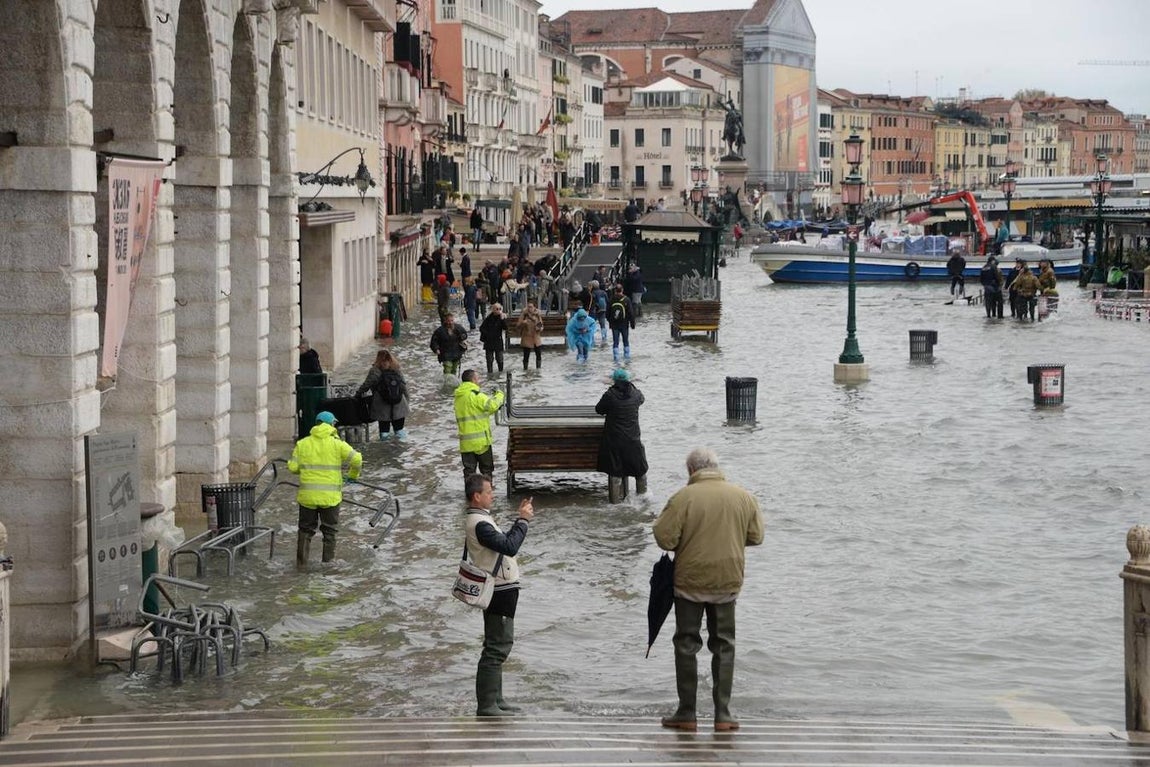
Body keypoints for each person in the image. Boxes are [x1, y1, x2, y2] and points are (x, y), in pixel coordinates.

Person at [653, 448, 764, 732]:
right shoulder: (743, 496)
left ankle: (687, 713)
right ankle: (723, 714)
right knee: (724, 645)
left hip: (690, 581)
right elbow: (756, 536)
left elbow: (664, 539)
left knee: (686, 644)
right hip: (727, 580)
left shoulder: (683, 498)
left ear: (691, 470)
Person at [462, 472, 535, 716]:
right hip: (499, 590)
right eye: (489, 492)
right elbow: (509, 546)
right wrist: (523, 521)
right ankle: (487, 705)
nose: (492, 495)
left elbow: (503, 544)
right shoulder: (480, 523)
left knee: (498, 644)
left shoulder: (481, 519)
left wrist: (519, 520)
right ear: (477, 496)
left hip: (501, 589)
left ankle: (497, 699)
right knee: (497, 646)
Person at [287, 411, 363, 567]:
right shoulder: (337, 444)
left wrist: (306, 468)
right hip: (330, 497)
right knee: (329, 532)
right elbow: (357, 459)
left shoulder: (303, 444)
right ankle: (328, 566)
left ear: (316, 424)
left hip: (307, 497)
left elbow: (293, 467)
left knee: (305, 531)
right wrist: (352, 476)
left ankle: (301, 565)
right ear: (331, 425)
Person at [595, 368, 648, 490]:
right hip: (633, 440)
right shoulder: (636, 394)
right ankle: (643, 500)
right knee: (640, 472)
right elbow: (642, 399)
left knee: (615, 473)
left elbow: (599, 410)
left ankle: (615, 504)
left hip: (614, 441)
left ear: (614, 381)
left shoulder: (610, 395)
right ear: (628, 380)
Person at [453, 369, 505, 479]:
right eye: (478, 378)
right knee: (486, 471)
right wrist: (500, 394)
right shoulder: (476, 395)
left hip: (466, 444)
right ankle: (487, 494)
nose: (479, 381)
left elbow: (476, 412)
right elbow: (492, 405)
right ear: (473, 380)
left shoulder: (458, 397)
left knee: (469, 472)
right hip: (481, 443)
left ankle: (470, 495)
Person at [355, 349, 409, 441]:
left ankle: (385, 452)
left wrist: (357, 395)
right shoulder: (396, 368)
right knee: (399, 430)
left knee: (384, 433)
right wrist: (407, 401)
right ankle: (402, 452)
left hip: (382, 405)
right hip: (399, 404)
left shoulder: (375, 370)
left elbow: (366, 385)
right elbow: (403, 386)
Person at [479, 303, 509, 376]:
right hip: (489, 341)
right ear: (493, 310)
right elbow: (481, 328)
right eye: (497, 309)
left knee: (499, 358)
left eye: (499, 309)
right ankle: (490, 373)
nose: (498, 310)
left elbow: (505, 328)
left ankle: (501, 373)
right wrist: (488, 334)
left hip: (498, 341)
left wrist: (502, 319)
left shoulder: (502, 318)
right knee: (489, 359)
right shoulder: (489, 318)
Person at [608, 284, 636, 362]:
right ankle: (627, 356)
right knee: (625, 340)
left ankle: (616, 357)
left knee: (615, 341)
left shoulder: (611, 299)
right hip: (624, 324)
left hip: (614, 325)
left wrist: (610, 321)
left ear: (615, 291)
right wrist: (632, 324)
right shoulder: (626, 299)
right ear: (622, 290)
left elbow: (607, 313)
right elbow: (631, 313)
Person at [517, 298, 544, 371]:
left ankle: (538, 369)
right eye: (528, 307)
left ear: (534, 307)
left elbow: (541, 326)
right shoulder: (524, 314)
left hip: (536, 337)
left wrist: (538, 327)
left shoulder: (537, 315)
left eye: (531, 307)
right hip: (527, 337)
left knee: (538, 354)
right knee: (526, 355)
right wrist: (523, 322)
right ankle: (525, 369)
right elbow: (518, 325)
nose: (529, 308)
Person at [590, 280, 609, 344]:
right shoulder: (603, 292)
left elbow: (591, 303)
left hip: (594, 311)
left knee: (592, 324)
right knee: (602, 325)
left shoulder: (592, 293)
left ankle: (592, 338)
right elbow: (607, 301)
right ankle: (604, 337)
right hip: (603, 310)